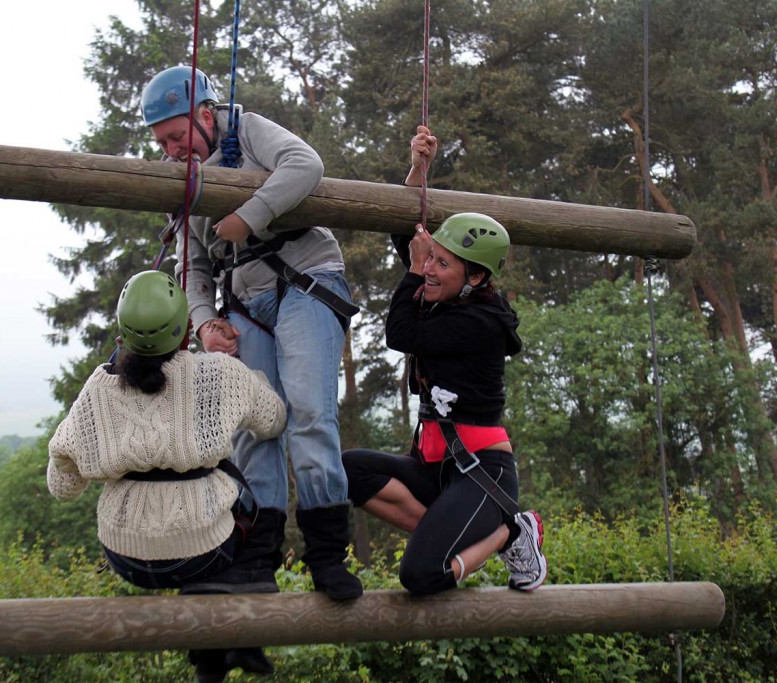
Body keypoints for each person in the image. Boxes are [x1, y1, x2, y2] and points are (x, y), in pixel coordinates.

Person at [138, 65, 363, 602]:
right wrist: (203, 323)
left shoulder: (249, 131)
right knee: (255, 425)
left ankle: (327, 556)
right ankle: (257, 559)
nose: (172, 149)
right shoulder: (185, 182)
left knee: (309, 412)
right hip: (244, 298)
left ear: (206, 115)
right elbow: (190, 265)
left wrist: (251, 213)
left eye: (177, 136)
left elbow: (305, 163)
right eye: (163, 142)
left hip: (305, 279)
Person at [47, 270, 287, 682]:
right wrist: (251, 382)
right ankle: (236, 634)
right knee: (253, 509)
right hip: (204, 553)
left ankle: (216, 653)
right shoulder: (219, 374)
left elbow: (62, 486)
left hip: (126, 556)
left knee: (219, 517)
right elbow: (274, 420)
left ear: (122, 334)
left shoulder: (98, 389)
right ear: (187, 330)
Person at [340, 126, 548, 596]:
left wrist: (414, 271)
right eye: (429, 258)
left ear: (474, 276)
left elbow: (400, 334)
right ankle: (450, 532)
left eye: (441, 264)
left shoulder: (481, 322)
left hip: (481, 471)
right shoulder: (445, 295)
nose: (429, 269)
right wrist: (419, 168)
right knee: (346, 469)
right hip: (437, 468)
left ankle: (509, 532)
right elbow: (401, 225)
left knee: (421, 575)